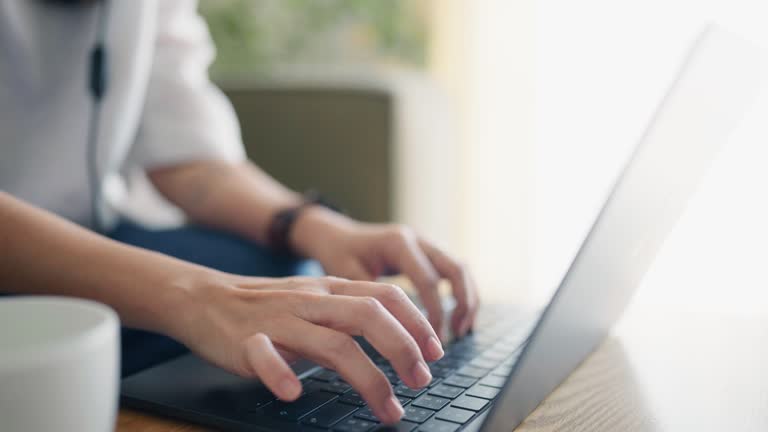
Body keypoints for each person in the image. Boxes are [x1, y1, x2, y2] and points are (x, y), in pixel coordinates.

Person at [0, 0, 479, 424]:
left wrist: (317, 227)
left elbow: (187, 156)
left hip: (98, 233)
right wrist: (195, 297)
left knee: (295, 276)